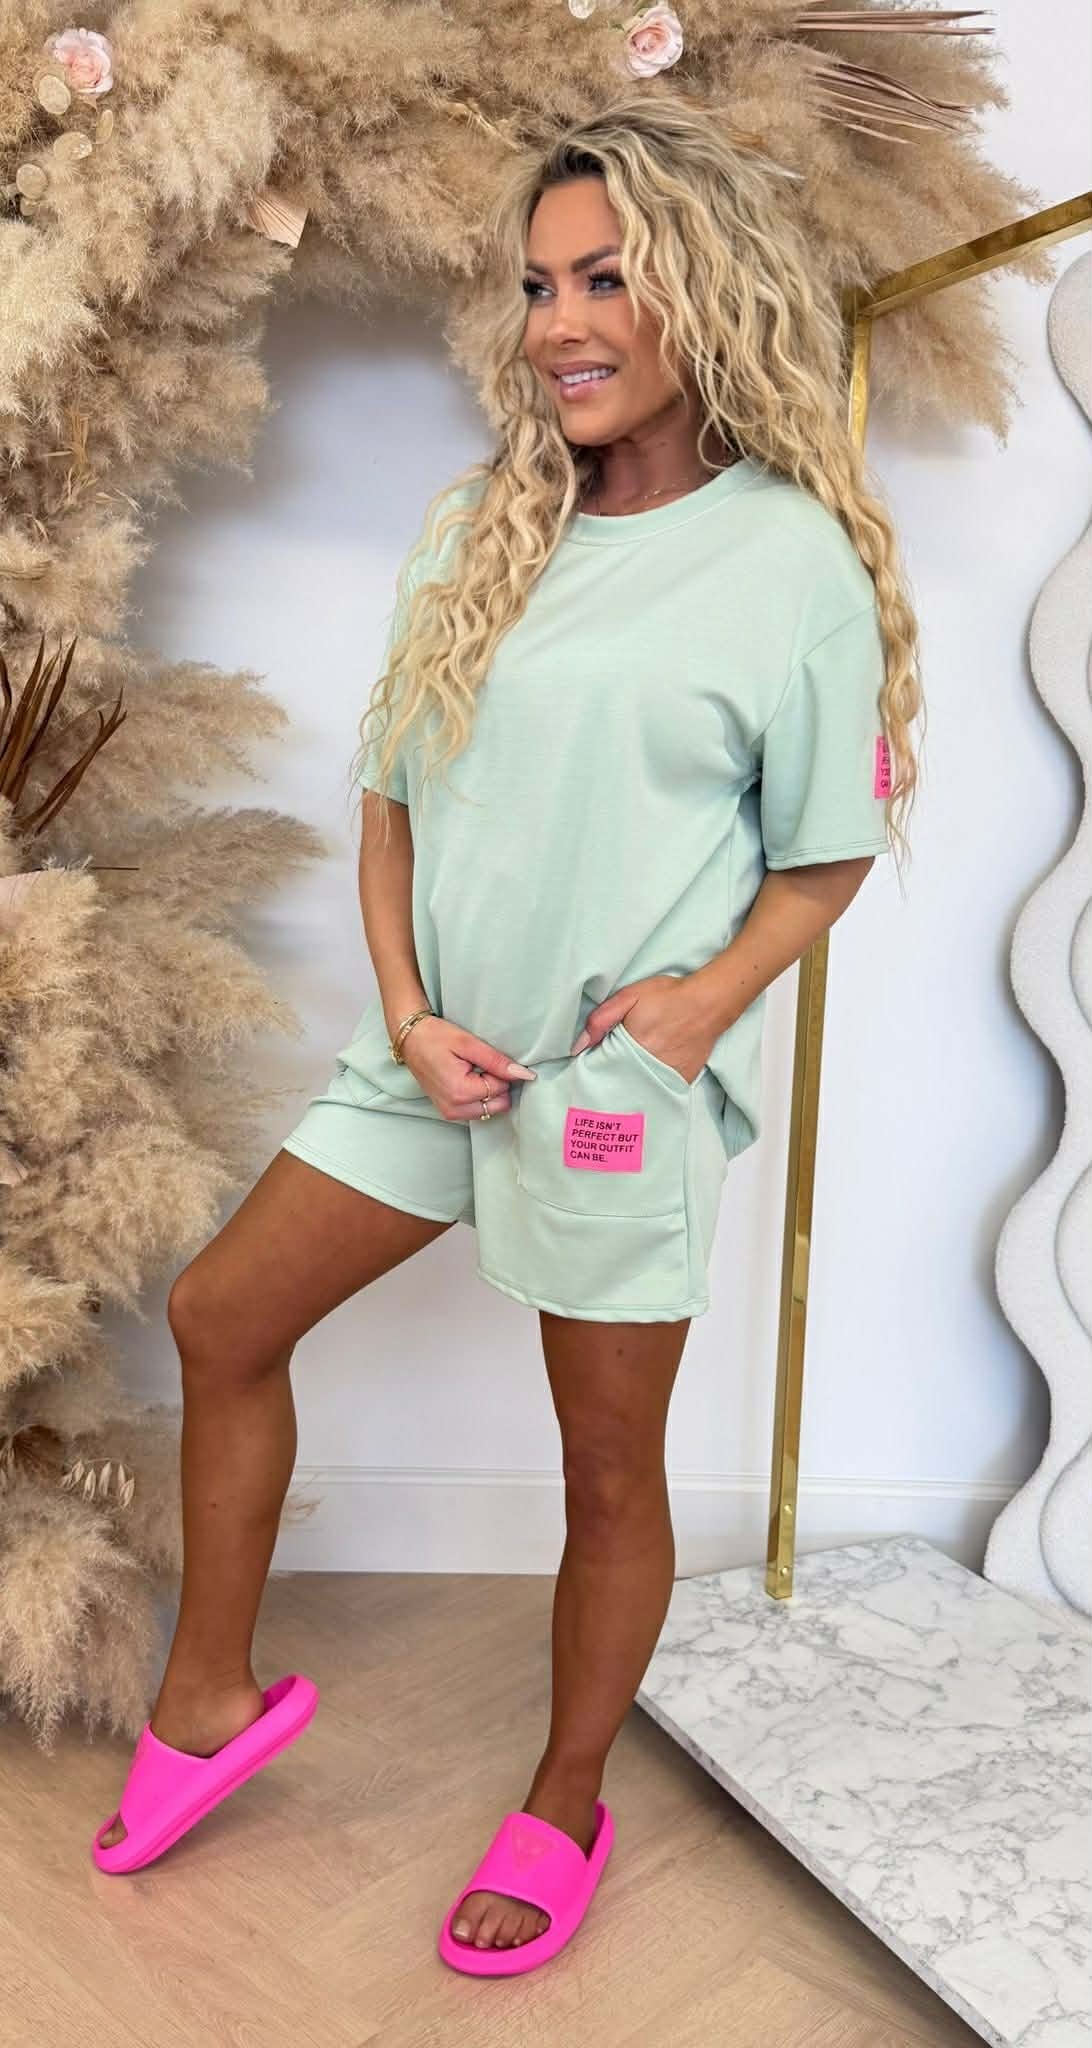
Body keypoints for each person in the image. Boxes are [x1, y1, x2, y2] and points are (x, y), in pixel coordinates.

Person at [91, 90, 922, 1976]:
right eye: (542, 285)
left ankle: (563, 1798)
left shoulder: (788, 562)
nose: (563, 322)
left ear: (705, 290)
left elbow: (827, 854)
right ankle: (210, 1696)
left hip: (616, 1091)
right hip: (429, 1057)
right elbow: (389, 801)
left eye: (607, 278)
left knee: (607, 1468)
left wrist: (695, 1011)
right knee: (222, 1315)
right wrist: (404, 1012)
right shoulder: (482, 524)